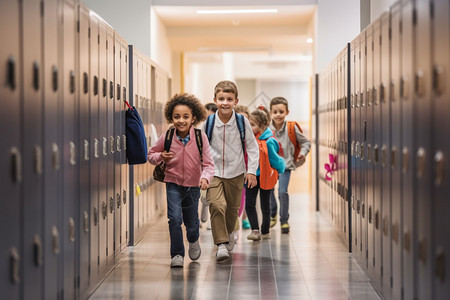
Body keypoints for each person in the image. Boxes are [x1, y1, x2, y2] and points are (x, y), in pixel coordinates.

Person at [148, 93, 215, 268]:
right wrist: (161, 156)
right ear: (171, 117)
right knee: (174, 219)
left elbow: (209, 164)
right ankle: (177, 254)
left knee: (191, 222)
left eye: (186, 116)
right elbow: (151, 155)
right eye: (177, 117)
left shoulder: (200, 138)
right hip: (173, 183)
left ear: (194, 118)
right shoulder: (168, 137)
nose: (181, 121)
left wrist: (205, 178)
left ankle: (193, 240)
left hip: (193, 186)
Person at [202, 80, 259, 261]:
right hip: (214, 171)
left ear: (235, 100)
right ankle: (220, 244)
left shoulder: (242, 122)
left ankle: (227, 235)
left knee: (232, 209)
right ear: (215, 100)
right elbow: (201, 147)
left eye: (229, 99)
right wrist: (202, 173)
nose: (225, 102)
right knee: (218, 205)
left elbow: (252, 147)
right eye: (221, 98)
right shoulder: (209, 122)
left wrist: (251, 171)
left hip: (236, 172)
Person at [269, 96, 311, 233]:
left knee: (282, 192)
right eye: (275, 112)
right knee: (269, 191)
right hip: (269, 167)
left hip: (286, 166)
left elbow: (306, 142)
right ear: (270, 113)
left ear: (287, 112)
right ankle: (272, 213)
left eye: (281, 111)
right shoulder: (267, 129)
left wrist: (303, 153)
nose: (278, 115)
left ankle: (284, 220)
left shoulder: (291, 128)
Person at [245, 106, 286, 241]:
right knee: (249, 204)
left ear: (262, 126)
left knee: (265, 204)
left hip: (265, 176)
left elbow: (275, 159)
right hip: (251, 176)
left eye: (252, 124)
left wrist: (281, 169)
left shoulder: (269, 141)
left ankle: (265, 230)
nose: (249, 127)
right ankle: (255, 230)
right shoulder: (248, 139)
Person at [233, 105, 251, 230]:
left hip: (244, 174)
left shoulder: (250, 136)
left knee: (241, 199)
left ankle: (238, 221)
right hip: (229, 173)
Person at [199, 103, 217, 229]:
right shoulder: (200, 128)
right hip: (202, 164)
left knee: (214, 193)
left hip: (215, 164)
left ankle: (212, 220)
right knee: (202, 192)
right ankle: (203, 209)